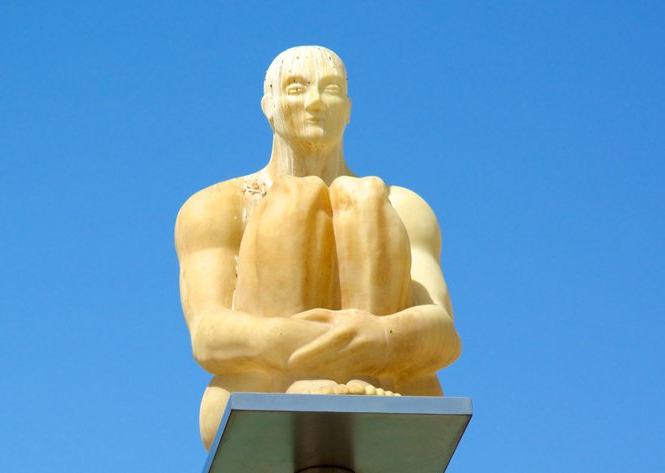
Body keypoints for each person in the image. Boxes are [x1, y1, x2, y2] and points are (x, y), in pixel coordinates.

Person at [175, 46, 461, 449]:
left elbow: (443, 332)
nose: (314, 103)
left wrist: (376, 335)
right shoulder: (217, 205)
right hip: (265, 386)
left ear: (347, 108)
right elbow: (208, 334)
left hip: (387, 385)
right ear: (268, 106)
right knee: (295, 199)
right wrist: (310, 343)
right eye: (295, 89)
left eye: (329, 90)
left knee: (362, 197)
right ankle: (314, 378)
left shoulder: (402, 206)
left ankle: (362, 378)